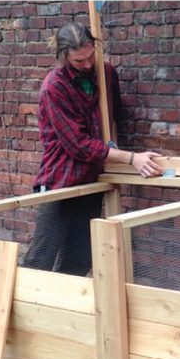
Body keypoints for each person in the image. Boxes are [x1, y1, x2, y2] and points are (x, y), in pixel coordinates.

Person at [24, 20, 165, 275]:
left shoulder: (106, 73)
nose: (88, 65)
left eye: (91, 56)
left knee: (79, 257)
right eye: (79, 61)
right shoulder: (54, 87)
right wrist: (130, 158)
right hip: (61, 182)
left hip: (92, 179)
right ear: (63, 56)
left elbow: (113, 115)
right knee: (40, 259)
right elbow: (77, 145)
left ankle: (65, 311)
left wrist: (116, 149)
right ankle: (28, 312)